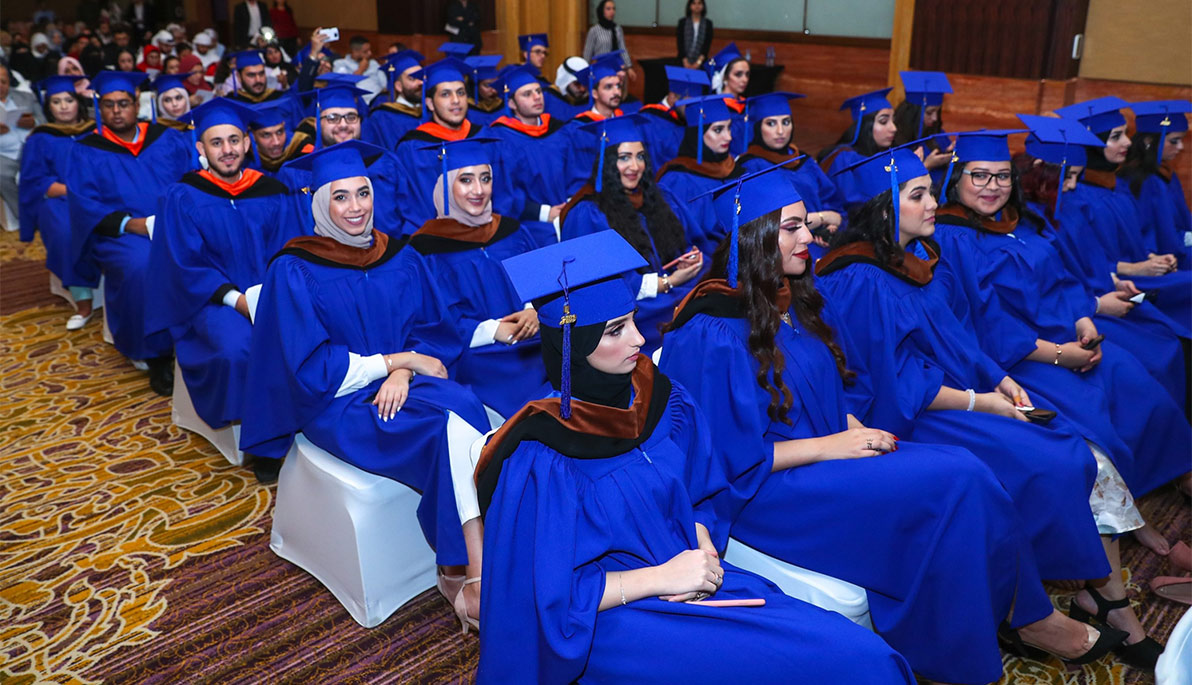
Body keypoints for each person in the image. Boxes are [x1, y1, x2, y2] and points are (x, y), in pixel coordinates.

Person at [659, 164, 1127, 682]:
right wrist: (837, 443)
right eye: (790, 229)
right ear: (754, 237)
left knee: (970, 473)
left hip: (827, 457)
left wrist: (853, 426)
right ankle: (1010, 628)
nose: (808, 239)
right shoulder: (711, 328)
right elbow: (727, 459)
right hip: (768, 491)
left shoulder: (793, 299)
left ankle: (1011, 620)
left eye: (806, 226)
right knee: (955, 482)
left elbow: (833, 388)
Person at [475, 230, 916, 684]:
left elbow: (703, 488)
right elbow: (538, 595)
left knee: (859, 657)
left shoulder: (663, 401)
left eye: (632, 321)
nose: (639, 340)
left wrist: (701, 536)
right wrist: (661, 577)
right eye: (615, 330)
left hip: (696, 577)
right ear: (572, 345)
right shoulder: (540, 454)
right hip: (610, 622)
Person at [816, 147, 1164, 670]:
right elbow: (895, 383)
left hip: (959, 391)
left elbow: (960, 339)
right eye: (919, 195)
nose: (934, 202)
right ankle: (1044, 609)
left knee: (1067, 444)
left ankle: (1098, 597)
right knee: (1046, 461)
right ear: (885, 206)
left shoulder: (919, 259)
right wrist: (985, 402)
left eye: (931, 191)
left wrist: (1000, 379)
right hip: (911, 412)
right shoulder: (859, 277)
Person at [241, 139, 493, 602]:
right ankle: (461, 568)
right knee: (443, 427)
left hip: (403, 385)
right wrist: (396, 362)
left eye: (363, 193)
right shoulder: (294, 269)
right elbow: (310, 367)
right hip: (335, 401)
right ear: (319, 202)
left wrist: (404, 371)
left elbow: (434, 329)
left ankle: (470, 560)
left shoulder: (398, 255)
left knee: (465, 404)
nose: (356, 207)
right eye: (340, 197)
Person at [931, 129, 1191, 574]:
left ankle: (1150, 495)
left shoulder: (1020, 221)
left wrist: (1083, 319)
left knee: (1133, 383)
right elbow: (984, 323)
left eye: (1001, 177)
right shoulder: (953, 239)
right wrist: (1057, 354)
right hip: (1019, 358)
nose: (992, 187)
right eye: (979, 176)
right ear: (955, 180)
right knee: (1089, 413)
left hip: (1065, 336)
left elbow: (1063, 280)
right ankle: (1129, 521)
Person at [146, 99, 300, 472]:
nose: (227, 150)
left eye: (234, 140)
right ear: (201, 149)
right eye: (216, 143)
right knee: (241, 348)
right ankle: (263, 443)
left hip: (268, 295)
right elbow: (183, 265)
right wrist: (236, 299)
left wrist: (271, 296)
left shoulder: (272, 191)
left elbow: (291, 249)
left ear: (248, 144)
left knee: (305, 338)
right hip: (210, 300)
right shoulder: (182, 196)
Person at [1017, 114, 1191, 411]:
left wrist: (1113, 281)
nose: (1072, 186)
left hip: (1090, 299)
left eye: (1075, 176)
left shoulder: (1063, 206)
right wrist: (1095, 305)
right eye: (1067, 177)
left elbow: (1083, 268)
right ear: (1038, 171)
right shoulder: (1028, 222)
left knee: (1162, 336)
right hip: (1064, 319)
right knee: (1154, 353)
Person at [66, 71, 193, 395]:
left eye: (124, 103)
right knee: (142, 265)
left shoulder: (166, 138)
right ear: (99, 107)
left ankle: (199, 336)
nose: (117, 111)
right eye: (109, 105)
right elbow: (83, 203)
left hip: (174, 225)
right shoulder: (86, 149)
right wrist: (130, 224)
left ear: (137, 104)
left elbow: (192, 180)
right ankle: (156, 353)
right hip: (120, 235)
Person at [408, 138, 546, 419]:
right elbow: (432, 322)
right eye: (466, 180)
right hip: (479, 354)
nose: (479, 190)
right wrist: (493, 330)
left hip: (535, 337)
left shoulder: (511, 231)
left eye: (485, 178)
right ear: (446, 187)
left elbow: (541, 283)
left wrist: (534, 311)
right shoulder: (426, 249)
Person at [561, 115, 702, 352]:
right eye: (624, 157)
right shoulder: (588, 212)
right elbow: (593, 283)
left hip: (669, 293)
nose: (634, 167)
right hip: (629, 310)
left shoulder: (659, 198)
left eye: (639, 157)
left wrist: (689, 258)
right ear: (607, 162)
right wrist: (665, 283)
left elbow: (690, 242)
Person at [1055, 96, 1192, 336]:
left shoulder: (1118, 185)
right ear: (1093, 143)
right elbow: (1085, 261)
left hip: (1134, 274)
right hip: (1111, 282)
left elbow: (1134, 239)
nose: (1129, 143)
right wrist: (1138, 267)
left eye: (1125, 134)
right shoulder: (1075, 197)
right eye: (1116, 136)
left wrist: (1151, 257)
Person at [393, 58, 518, 234]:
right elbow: (415, 206)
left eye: (460, 93)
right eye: (445, 94)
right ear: (429, 103)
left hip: (489, 233)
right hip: (440, 241)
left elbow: (504, 193)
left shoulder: (485, 137)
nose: (455, 100)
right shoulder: (413, 147)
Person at [18, 74, 97, 330]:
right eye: (56, 101)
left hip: (99, 195)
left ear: (78, 103)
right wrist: (76, 191)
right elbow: (36, 181)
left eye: (68, 100)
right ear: (48, 107)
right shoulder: (40, 138)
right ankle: (84, 303)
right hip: (60, 200)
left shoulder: (95, 131)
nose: (63, 106)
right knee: (65, 232)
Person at [283, 85, 401, 231]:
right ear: (316, 124)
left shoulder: (384, 162)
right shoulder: (295, 172)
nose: (344, 125)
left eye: (351, 117)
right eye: (333, 118)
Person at [737, 91, 845, 245]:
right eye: (771, 123)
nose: (781, 131)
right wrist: (822, 217)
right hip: (781, 247)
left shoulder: (803, 159)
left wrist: (831, 225)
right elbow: (762, 219)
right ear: (757, 127)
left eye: (786, 122)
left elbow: (830, 198)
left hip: (821, 240)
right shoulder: (751, 166)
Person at [485, 65, 569, 246]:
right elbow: (504, 191)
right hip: (530, 223)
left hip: (567, 214)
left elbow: (575, 172)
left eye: (538, 91)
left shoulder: (560, 131)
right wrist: (544, 213)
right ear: (511, 103)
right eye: (527, 94)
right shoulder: (500, 139)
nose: (537, 97)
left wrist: (571, 204)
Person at [656, 94, 743, 255]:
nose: (729, 137)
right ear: (698, 133)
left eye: (729, 127)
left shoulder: (737, 170)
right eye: (718, 130)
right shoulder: (677, 180)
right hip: (706, 263)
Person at [1117, 100, 1192, 266]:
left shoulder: (1166, 176)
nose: (1180, 147)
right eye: (1174, 141)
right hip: (1156, 257)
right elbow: (1160, 238)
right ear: (1148, 141)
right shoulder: (1141, 180)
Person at [817, 88, 897, 206]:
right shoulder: (845, 158)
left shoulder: (881, 154)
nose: (894, 128)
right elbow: (854, 204)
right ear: (866, 126)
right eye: (884, 121)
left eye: (893, 121)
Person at [560, 54, 626, 195]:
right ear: (594, 93)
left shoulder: (625, 123)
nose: (616, 92)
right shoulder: (577, 129)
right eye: (608, 87)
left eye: (618, 86)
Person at [0, 63, 43, 230]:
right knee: (1, 174)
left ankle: (53, 212)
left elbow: (46, 123)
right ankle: (27, 217)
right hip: (4, 155)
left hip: (33, 149)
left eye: (3, 81)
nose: (0, 85)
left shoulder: (25, 98)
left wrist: (35, 122)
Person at [636, 66, 704, 169]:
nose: (694, 109)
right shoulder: (648, 121)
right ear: (672, 97)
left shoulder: (693, 120)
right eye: (689, 103)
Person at [894, 70, 954, 186]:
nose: (935, 118)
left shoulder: (938, 135)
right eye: (929, 112)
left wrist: (949, 154)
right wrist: (927, 166)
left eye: (937, 112)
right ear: (913, 114)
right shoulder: (895, 142)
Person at [362, 49, 424, 150]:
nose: (420, 82)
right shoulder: (380, 117)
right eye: (412, 79)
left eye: (421, 77)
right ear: (398, 86)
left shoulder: (431, 113)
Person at [248, 95, 312, 175]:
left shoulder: (301, 148)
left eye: (279, 132)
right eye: (266, 135)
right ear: (253, 136)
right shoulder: (245, 160)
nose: (276, 142)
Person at [333, 36, 385, 103]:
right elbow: (343, 86)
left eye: (370, 50)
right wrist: (361, 69)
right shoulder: (340, 64)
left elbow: (384, 86)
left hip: (377, 102)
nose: (370, 53)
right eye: (365, 51)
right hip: (356, 103)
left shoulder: (374, 63)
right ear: (355, 51)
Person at [583, 0, 630, 75]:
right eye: (608, 9)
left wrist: (629, 67)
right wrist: (585, 70)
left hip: (617, 67)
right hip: (600, 68)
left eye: (613, 9)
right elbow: (587, 52)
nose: (612, 12)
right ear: (602, 11)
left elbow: (622, 49)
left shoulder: (617, 29)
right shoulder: (594, 30)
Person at [463, 54, 505, 127]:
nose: (494, 90)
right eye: (487, 85)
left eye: (496, 84)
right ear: (475, 86)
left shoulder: (503, 106)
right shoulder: (466, 110)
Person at [676, 0, 712, 71]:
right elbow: (680, 43)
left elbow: (707, 45)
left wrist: (698, 63)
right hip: (683, 60)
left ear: (703, 6)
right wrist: (685, 61)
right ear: (689, 6)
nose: (697, 6)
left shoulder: (708, 23)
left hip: (701, 61)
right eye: (694, 3)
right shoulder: (682, 22)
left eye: (699, 3)